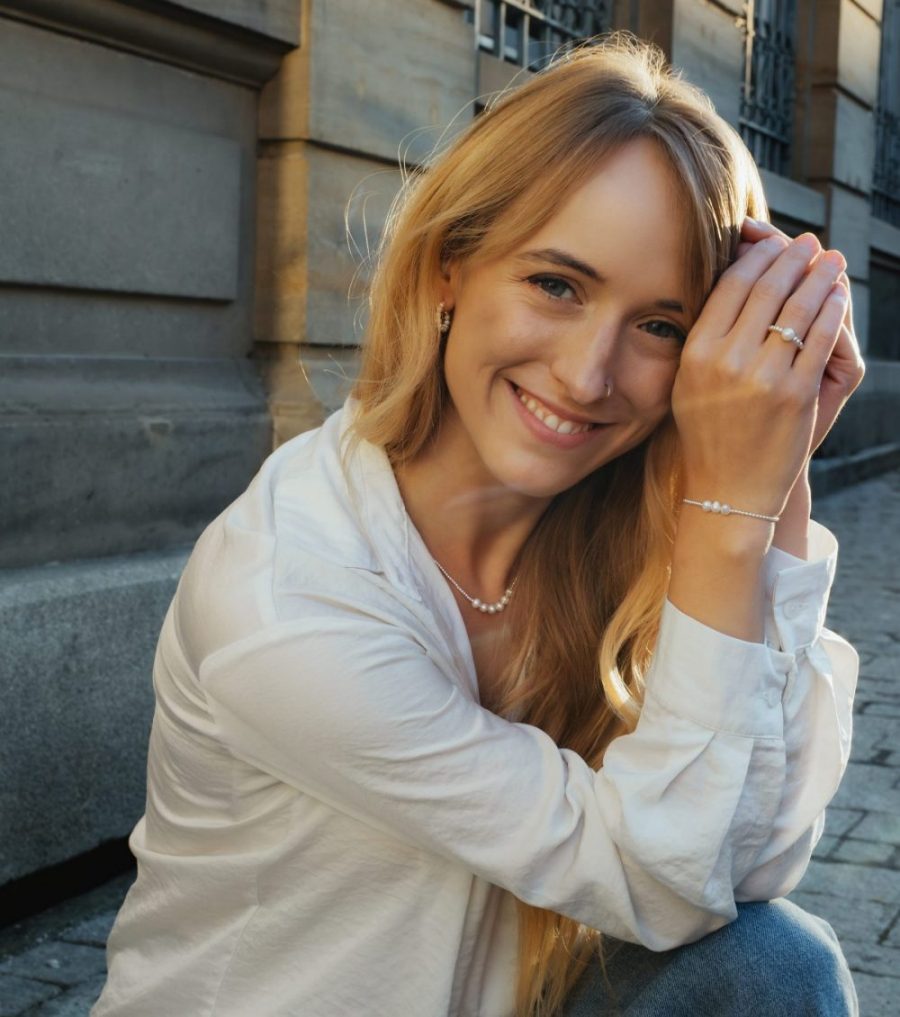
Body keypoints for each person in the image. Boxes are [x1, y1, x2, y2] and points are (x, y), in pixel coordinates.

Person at [92, 34, 864, 1017]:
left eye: (660, 325)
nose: (588, 375)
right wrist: (729, 514)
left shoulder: (604, 531)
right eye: (557, 285)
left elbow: (750, 864)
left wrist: (777, 476)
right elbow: (669, 886)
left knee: (771, 961)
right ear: (452, 267)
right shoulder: (290, 594)